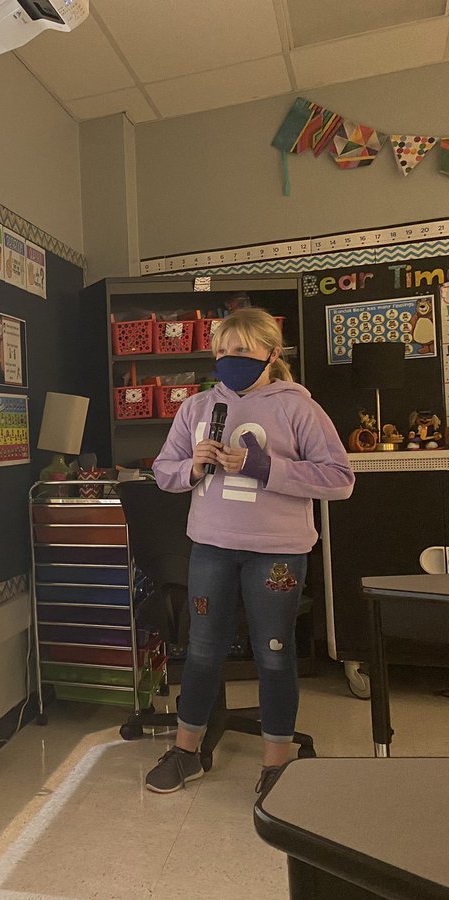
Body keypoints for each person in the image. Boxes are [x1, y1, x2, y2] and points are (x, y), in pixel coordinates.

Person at [146, 307, 354, 795]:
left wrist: (266, 467)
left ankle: (277, 763)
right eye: (221, 351)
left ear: (270, 354)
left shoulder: (298, 407)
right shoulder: (196, 408)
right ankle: (186, 752)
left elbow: (340, 479)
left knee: (274, 654)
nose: (228, 359)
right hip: (212, 549)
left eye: (240, 350)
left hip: (276, 553)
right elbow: (163, 471)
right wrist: (190, 470)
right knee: (200, 651)